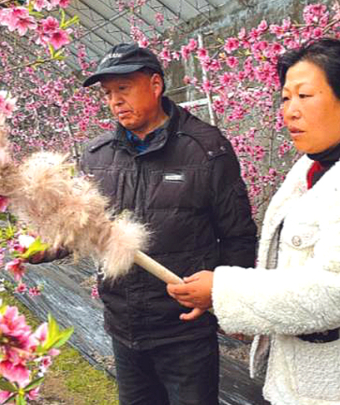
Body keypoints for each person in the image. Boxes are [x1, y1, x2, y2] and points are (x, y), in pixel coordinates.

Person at [168, 38, 340, 405]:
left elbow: (337, 289)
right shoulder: (311, 166)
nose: (289, 111)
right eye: (285, 98)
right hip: (315, 378)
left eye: (304, 96)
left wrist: (224, 292)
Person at [78, 43, 258, 405]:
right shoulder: (97, 156)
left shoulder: (206, 148)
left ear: (155, 84)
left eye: (124, 88)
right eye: (108, 93)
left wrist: (223, 298)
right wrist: (43, 246)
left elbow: (238, 235)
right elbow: (82, 226)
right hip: (123, 328)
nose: (115, 101)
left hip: (184, 331)